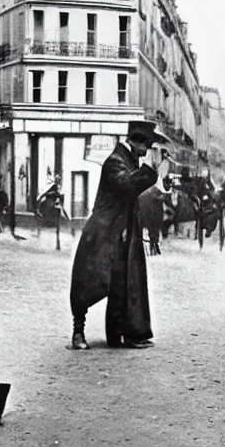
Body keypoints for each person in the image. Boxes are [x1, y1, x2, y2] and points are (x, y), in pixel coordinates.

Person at [70, 120, 169, 350]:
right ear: (134, 142)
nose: (147, 150)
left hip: (123, 229)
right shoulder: (115, 162)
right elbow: (126, 184)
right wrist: (152, 173)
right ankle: (78, 332)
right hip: (103, 230)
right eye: (146, 145)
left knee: (123, 282)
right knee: (88, 282)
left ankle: (122, 334)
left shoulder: (129, 160)